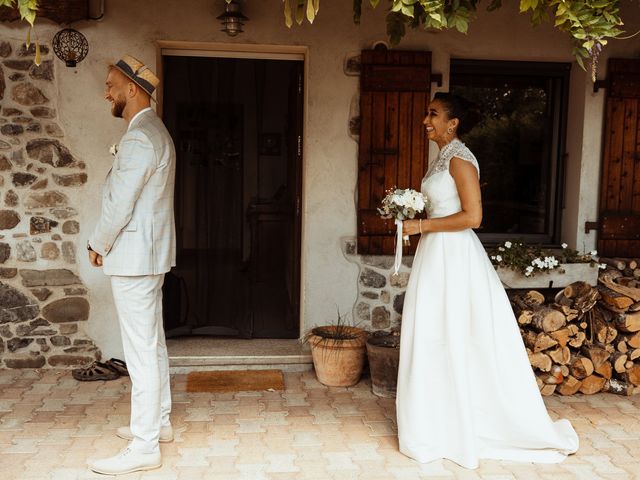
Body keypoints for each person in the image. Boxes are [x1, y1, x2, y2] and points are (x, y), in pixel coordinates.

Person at [397, 92, 579, 469]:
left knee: (456, 333)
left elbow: (473, 217)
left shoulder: (461, 159)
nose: (425, 121)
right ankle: (436, 421)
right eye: (427, 114)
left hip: (454, 257)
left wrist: (421, 224)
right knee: (434, 333)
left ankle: (463, 424)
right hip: (436, 254)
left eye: (433, 114)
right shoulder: (442, 159)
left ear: (453, 122)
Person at [87, 55, 176, 475]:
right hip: (148, 256)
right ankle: (159, 423)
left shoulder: (141, 138)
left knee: (140, 352)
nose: (106, 91)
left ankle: (145, 447)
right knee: (151, 343)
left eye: (110, 85)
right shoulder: (151, 131)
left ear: (132, 89)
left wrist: (98, 241)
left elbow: (122, 201)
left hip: (135, 257)